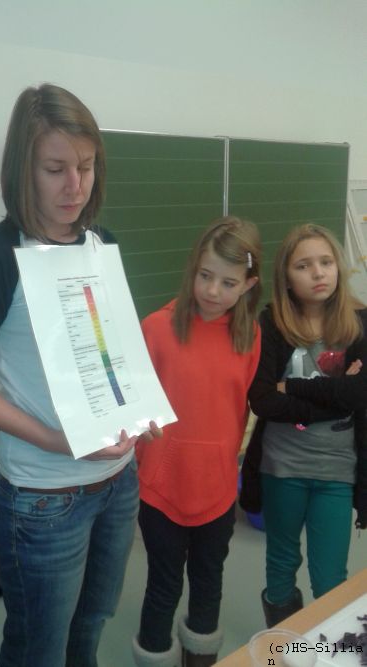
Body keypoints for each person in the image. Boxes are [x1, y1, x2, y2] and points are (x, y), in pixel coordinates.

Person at [0, 83, 160, 667]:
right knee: (37, 648)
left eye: (86, 166)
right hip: (44, 496)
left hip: (118, 480)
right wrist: (57, 441)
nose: (75, 186)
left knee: (91, 626)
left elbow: (110, 350)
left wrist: (138, 408)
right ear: (22, 169)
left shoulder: (101, 243)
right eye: (56, 169)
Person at [132, 217, 262, 667]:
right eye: (205, 275)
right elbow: (134, 405)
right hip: (162, 488)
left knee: (209, 580)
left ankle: (200, 657)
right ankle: (154, 654)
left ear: (248, 285)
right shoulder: (156, 328)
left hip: (218, 489)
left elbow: (239, 407)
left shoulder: (250, 336)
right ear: (192, 269)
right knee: (164, 583)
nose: (212, 290)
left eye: (228, 282)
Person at [240, 223, 367, 629]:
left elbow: (360, 395)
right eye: (304, 265)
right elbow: (264, 400)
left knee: (330, 577)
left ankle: (329, 652)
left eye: (326, 262)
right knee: (281, 567)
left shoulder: (359, 322)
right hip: (282, 468)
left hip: (336, 472)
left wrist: (293, 387)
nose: (318, 273)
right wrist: (337, 395)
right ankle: (286, 652)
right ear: (287, 277)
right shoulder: (272, 325)